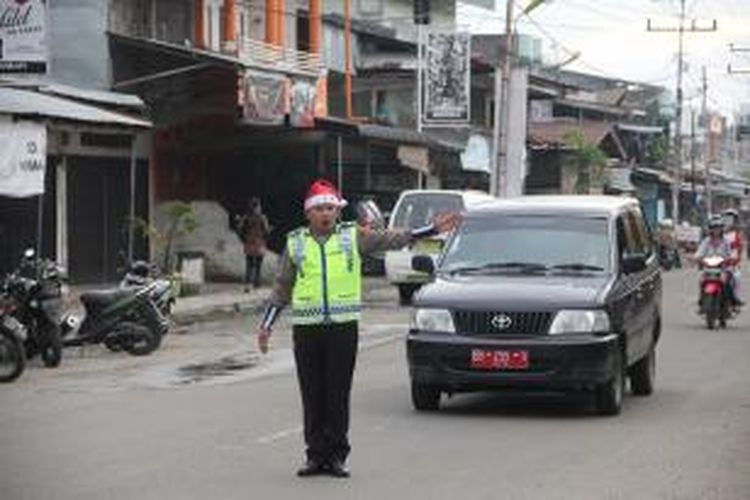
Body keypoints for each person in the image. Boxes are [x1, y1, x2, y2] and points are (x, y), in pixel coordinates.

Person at [256, 179, 460, 479]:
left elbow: (390, 238)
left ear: (338, 211)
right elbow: (281, 288)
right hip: (307, 330)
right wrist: (266, 326)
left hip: (343, 329)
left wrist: (429, 230)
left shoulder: (353, 236)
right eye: (319, 209)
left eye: (330, 208)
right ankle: (315, 456)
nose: (325, 214)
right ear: (308, 213)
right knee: (312, 394)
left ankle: (337, 456)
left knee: (337, 393)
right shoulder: (296, 242)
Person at [693, 217, 739, 307]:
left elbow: (732, 252)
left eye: (718, 228)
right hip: (709, 268)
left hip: (723, 268)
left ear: (721, 229)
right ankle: (701, 300)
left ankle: (732, 301)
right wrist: (697, 257)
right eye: (714, 228)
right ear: (710, 229)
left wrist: (732, 258)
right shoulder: (706, 241)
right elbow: (699, 252)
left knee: (730, 281)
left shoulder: (726, 241)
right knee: (701, 281)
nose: (716, 230)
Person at [237, 198, 270, 292]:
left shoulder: (246, 217)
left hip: (249, 243)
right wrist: (266, 236)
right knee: (258, 265)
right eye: (259, 206)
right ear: (257, 207)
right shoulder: (262, 218)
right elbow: (266, 230)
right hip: (259, 243)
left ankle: (247, 285)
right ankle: (256, 284)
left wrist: (244, 238)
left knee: (249, 264)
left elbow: (239, 229)